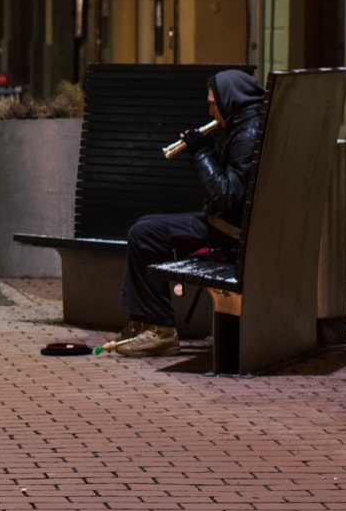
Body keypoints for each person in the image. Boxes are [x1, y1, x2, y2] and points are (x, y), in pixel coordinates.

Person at [107, 69, 268, 358]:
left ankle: (160, 331)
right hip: (226, 223)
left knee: (143, 234)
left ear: (229, 101)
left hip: (230, 232)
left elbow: (228, 196)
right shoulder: (243, 126)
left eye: (212, 103)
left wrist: (201, 153)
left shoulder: (247, 134)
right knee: (145, 225)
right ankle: (143, 322)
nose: (209, 110)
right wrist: (207, 148)